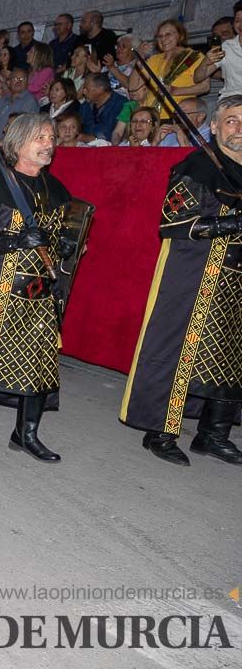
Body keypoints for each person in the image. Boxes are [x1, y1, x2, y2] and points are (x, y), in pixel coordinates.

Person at [0, 114, 80, 462]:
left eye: (51, 137)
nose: (49, 144)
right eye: (40, 138)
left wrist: (66, 244)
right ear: (18, 143)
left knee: (39, 360)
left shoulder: (57, 190)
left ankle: (26, 434)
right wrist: (15, 239)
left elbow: (68, 235)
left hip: (41, 293)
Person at [120, 95, 242, 466]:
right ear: (216, 126)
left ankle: (213, 435)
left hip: (236, 284)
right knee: (180, 351)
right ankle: (161, 431)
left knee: (231, 356)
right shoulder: (197, 166)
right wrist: (230, 222)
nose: (240, 129)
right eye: (233, 120)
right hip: (197, 276)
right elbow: (173, 223)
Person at [127, 19, 207, 119]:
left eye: (168, 34)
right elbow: (133, 86)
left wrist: (176, 91)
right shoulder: (154, 59)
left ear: (180, 35)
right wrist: (139, 61)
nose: (163, 39)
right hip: (152, 118)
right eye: (160, 36)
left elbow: (205, 87)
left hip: (177, 117)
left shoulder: (195, 57)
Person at [194, 3, 242, 103]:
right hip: (231, 101)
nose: (241, 24)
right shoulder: (227, 47)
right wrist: (205, 62)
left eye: (224, 34)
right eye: (237, 20)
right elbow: (198, 78)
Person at [0, 68, 41, 138]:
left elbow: (23, 130)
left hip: (9, 145)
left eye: (22, 79)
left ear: (27, 82)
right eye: (15, 79)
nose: (18, 81)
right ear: (9, 82)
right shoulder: (1, 100)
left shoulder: (30, 101)